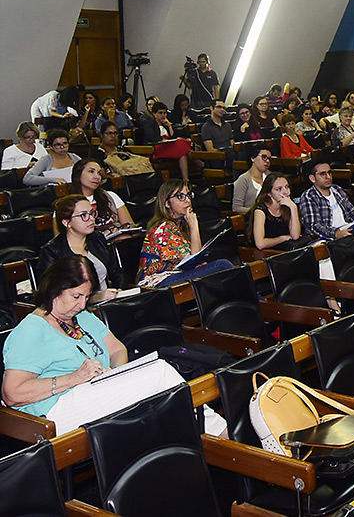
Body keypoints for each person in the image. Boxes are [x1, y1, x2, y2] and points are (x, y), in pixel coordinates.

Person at [1, 256, 226, 436]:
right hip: (52, 412)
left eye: (86, 297)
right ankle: (224, 438)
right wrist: (76, 378)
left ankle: (204, 441)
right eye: (75, 296)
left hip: (92, 393)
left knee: (159, 380)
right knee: (161, 374)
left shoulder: (81, 316)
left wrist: (116, 374)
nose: (81, 305)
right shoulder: (32, 330)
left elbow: (117, 350)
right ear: (53, 289)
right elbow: (12, 393)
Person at [136, 179, 235, 287]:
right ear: (167, 203)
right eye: (180, 197)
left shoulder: (180, 225)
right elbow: (194, 260)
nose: (187, 200)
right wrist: (194, 226)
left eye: (188, 195)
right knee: (222, 265)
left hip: (175, 274)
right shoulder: (165, 228)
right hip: (158, 281)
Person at [38, 195, 125, 302]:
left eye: (92, 213)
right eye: (83, 215)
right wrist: (94, 299)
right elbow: (51, 293)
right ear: (66, 222)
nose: (91, 219)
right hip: (73, 309)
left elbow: (116, 272)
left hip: (108, 302)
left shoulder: (97, 239)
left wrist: (120, 291)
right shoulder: (52, 251)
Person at [298, 162, 354, 240]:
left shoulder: (337, 190)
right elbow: (313, 226)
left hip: (349, 229)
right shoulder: (309, 197)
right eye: (323, 174)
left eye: (329, 172)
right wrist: (335, 233)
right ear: (312, 178)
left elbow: (352, 212)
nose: (328, 177)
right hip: (330, 238)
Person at [69, 158, 135, 235]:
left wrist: (119, 230)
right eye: (91, 171)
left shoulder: (110, 196)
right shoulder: (67, 203)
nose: (97, 177)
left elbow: (130, 226)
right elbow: (62, 240)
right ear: (78, 175)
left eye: (99, 173)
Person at [246, 173, 303, 250]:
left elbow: (295, 236)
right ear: (269, 193)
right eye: (279, 189)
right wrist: (282, 238)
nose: (286, 192)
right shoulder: (260, 210)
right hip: (265, 253)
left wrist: (293, 208)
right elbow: (260, 244)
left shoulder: (289, 206)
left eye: (287, 187)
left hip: (284, 251)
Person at [140, 102, 194, 181]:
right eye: (160, 113)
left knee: (182, 153)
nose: (163, 115)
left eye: (165, 113)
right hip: (156, 149)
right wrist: (163, 140)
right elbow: (152, 137)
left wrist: (169, 126)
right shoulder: (149, 123)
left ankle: (186, 179)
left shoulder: (165, 125)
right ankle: (197, 161)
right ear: (154, 114)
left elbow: (173, 137)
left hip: (168, 147)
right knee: (181, 143)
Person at [232, 145, 272, 213]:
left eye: (269, 159)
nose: (267, 161)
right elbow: (236, 208)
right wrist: (258, 211)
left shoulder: (270, 176)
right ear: (253, 158)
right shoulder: (243, 180)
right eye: (264, 157)